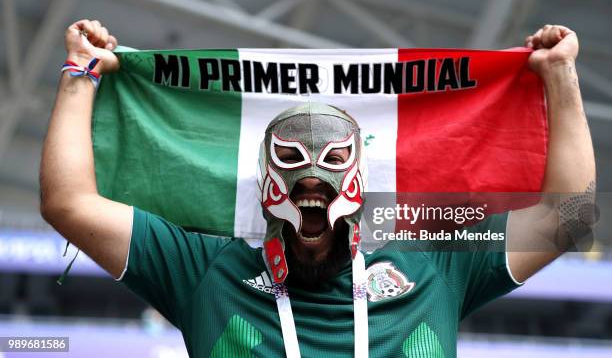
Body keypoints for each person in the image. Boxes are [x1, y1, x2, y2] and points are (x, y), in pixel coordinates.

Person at [40, 20, 595, 357]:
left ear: (358, 185)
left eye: (331, 167)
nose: (313, 186)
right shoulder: (206, 271)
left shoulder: (433, 265)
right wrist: (80, 72)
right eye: (292, 169)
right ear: (265, 189)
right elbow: (69, 203)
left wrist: (560, 74)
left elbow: (571, 219)